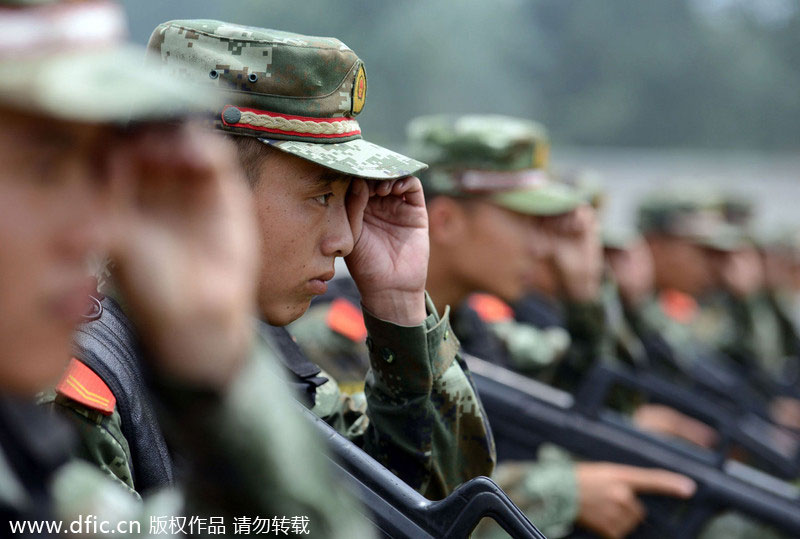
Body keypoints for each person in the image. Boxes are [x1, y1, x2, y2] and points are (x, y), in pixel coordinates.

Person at [50, 19, 495, 502]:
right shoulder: (76, 386)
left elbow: (440, 508)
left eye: (351, 201)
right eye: (322, 197)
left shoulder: (254, 352)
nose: (346, 239)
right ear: (197, 186)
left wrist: (399, 306)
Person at [0, 1, 370, 537]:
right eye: (43, 168)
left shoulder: (46, 491)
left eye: (99, 170)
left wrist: (219, 377)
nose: (97, 229)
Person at [292, 114, 697, 538]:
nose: (540, 247)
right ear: (446, 221)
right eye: (522, 222)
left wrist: (584, 295)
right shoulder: (338, 336)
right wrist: (552, 492)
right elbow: (381, 498)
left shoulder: (481, 329)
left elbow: (607, 406)